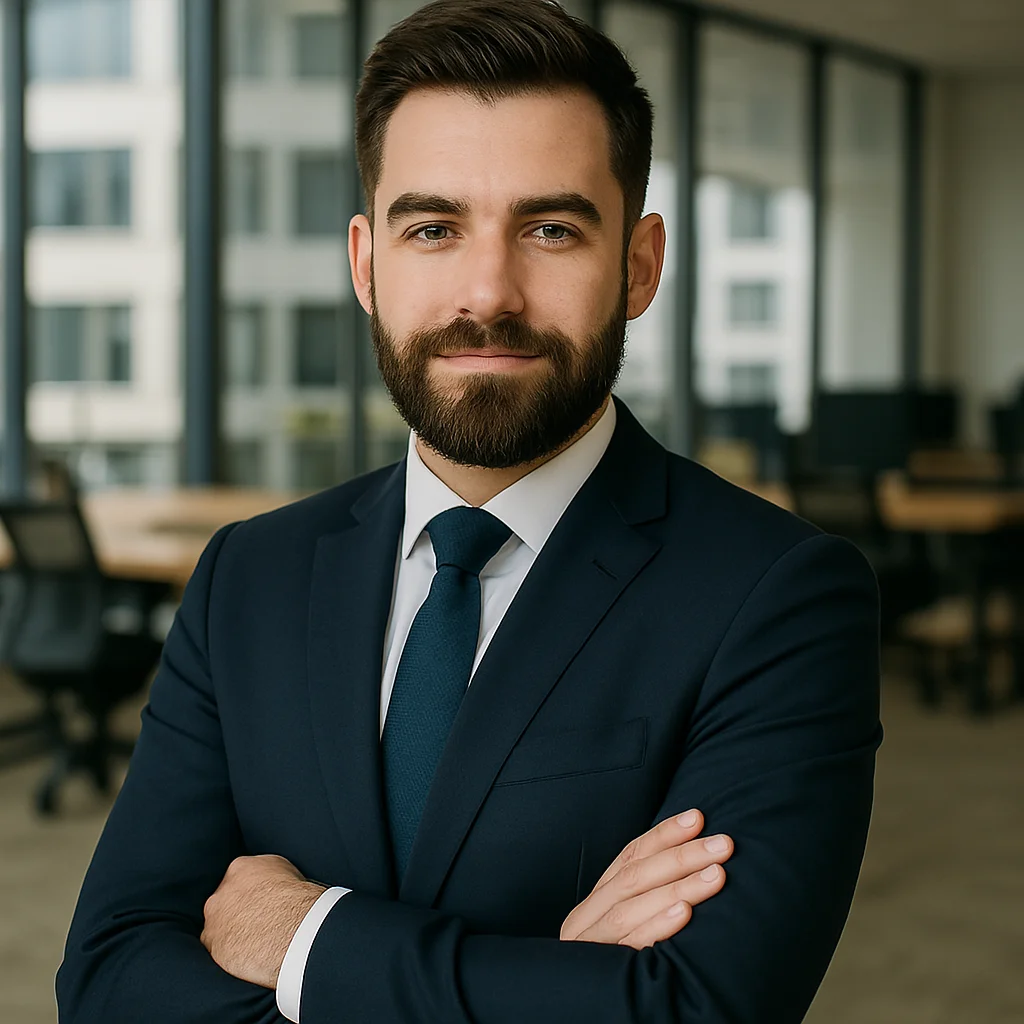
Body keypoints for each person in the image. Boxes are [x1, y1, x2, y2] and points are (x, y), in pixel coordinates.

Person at [56, 1, 882, 1021]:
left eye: (550, 227)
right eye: (435, 227)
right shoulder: (249, 579)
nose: (487, 291)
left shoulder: (775, 596)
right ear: (367, 263)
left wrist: (305, 940)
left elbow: (696, 1009)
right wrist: (545, 975)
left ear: (638, 264)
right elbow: (107, 979)